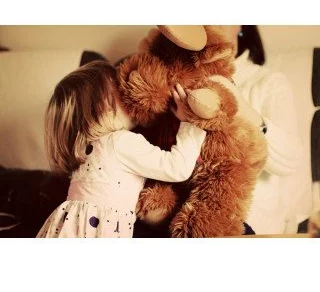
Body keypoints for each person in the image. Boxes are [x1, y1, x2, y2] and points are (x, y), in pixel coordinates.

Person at [36, 61, 206, 238]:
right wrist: (190, 123)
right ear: (103, 106)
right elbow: (177, 168)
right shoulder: (120, 142)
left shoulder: (82, 149)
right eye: (120, 90)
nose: (128, 93)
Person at [223, 25, 304, 234]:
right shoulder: (179, 79)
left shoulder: (268, 82)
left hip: (248, 217)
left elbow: (290, 158)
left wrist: (239, 106)